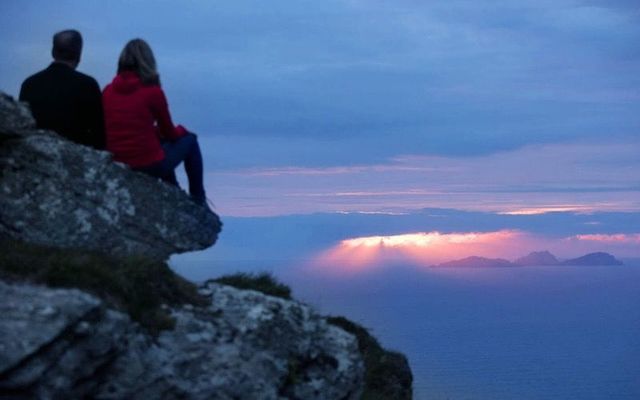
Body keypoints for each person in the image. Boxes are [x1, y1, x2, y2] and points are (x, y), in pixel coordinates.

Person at [102, 39, 207, 205]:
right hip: (145, 165)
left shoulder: (107, 91)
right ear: (148, 63)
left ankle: (174, 190)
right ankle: (198, 199)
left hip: (117, 161)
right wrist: (182, 130)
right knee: (190, 140)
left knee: (158, 143)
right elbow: (170, 135)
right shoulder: (153, 93)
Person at [19, 29, 105, 149]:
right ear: (78, 54)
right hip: (77, 161)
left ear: (53, 52)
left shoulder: (29, 84)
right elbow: (99, 133)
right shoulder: (87, 85)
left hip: (37, 157)